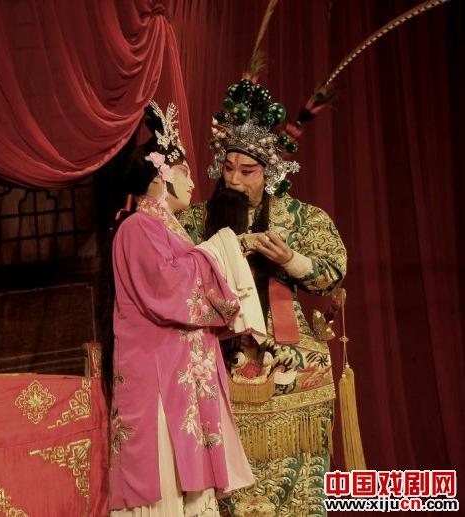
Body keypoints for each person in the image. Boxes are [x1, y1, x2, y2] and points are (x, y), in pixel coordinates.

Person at [178, 79, 347, 516]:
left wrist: (290, 260)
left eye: (247, 170)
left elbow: (331, 274)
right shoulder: (195, 220)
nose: (233, 179)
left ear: (269, 172)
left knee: (297, 491)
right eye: (228, 167)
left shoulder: (301, 218)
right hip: (216, 359)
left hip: (290, 360)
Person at [105, 101, 256, 516]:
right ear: (161, 176)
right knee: (163, 485)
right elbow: (169, 287)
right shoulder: (137, 227)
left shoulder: (167, 231)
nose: (192, 183)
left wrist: (216, 252)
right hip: (157, 375)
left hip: (180, 373)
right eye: (184, 172)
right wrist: (220, 251)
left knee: (189, 486)